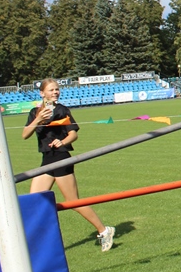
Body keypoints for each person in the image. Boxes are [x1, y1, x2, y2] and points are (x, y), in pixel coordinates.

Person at [22, 78, 115, 252]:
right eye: (51, 90)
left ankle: (104, 230)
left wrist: (62, 141)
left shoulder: (62, 110)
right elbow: (25, 134)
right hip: (46, 160)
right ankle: (37, 242)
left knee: (73, 202)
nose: (55, 92)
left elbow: (73, 134)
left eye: (57, 89)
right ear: (42, 93)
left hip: (61, 158)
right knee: (34, 201)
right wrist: (37, 119)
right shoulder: (35, 112)